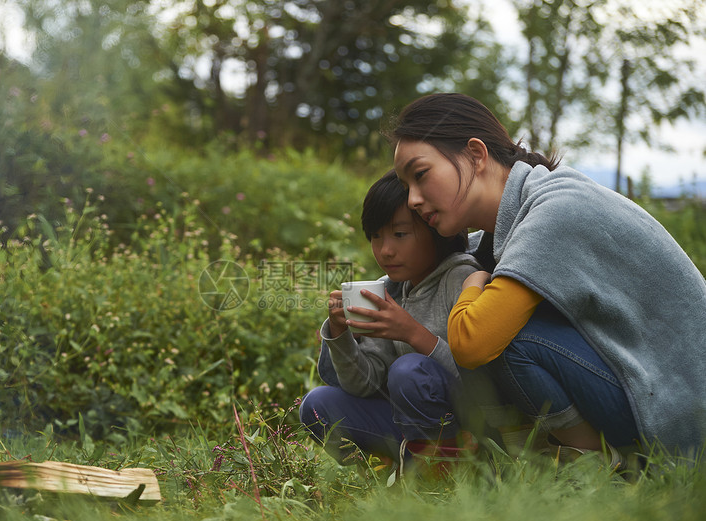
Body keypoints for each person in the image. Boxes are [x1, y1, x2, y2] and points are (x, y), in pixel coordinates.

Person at [389, 92, 706, 460]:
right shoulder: (507, 226)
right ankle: (521, 460)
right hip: (645, 393)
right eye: (405, 185)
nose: (412, 199)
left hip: (680, 413)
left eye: (421, 175)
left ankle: (596, 467)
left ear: (476, 155)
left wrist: (472, 281)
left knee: (502, 335)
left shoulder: (555, 209)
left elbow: (473, 341)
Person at [298, 170, 497, 467]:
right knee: (316, 406)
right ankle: (398, 464)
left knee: (409, 371)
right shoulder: (390, 290)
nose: (385, 250)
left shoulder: (463, 279)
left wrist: (411, 333)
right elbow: (363, 385)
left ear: (436, 230)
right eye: (376, 237)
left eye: (399, 235)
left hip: (473, 422)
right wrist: (340, 334)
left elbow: (485, 381)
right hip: (410, 425)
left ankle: (454, 466)